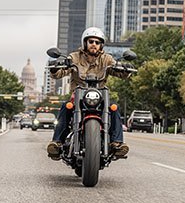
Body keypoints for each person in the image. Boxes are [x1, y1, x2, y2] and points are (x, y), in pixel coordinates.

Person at [46, 27, 131, 161]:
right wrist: (57, 67)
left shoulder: (107, 59)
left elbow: (120, 73)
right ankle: (57, 142)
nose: (94, 44)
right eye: (91, 41)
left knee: (114, 108)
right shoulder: (74, 57)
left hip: (100, 96)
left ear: (101, 45)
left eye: (97, 42)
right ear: (85, 42)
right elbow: (59, 74)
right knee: (66, 107)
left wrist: (125, 68)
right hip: (78, 95)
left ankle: (117, 143)